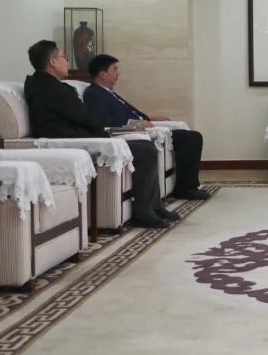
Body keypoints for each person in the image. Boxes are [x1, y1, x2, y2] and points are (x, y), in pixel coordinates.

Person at [23, 40, 178, 229]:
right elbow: (84, 116)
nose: (67, 62)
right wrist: (104, 133)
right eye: (64, 57)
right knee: (145, 151)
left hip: (76, 135)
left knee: (145, 147)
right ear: (52, 62)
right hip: (69, 140)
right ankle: (144, 211)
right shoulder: (51, 88)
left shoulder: (43, 84)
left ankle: (154, 206)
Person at [82, 54, 210, 201]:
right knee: (188, 138)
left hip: (143, 128)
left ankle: (188, 185)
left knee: (194, 137)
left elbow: (129, 111)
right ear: (103, 74)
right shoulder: (93, 93)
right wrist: (132, 122)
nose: (118, 73)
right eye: (114, 69)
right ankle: (186, 188)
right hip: (131, 133)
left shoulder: (108, 92)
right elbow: (103, 119)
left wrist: (148, 117)